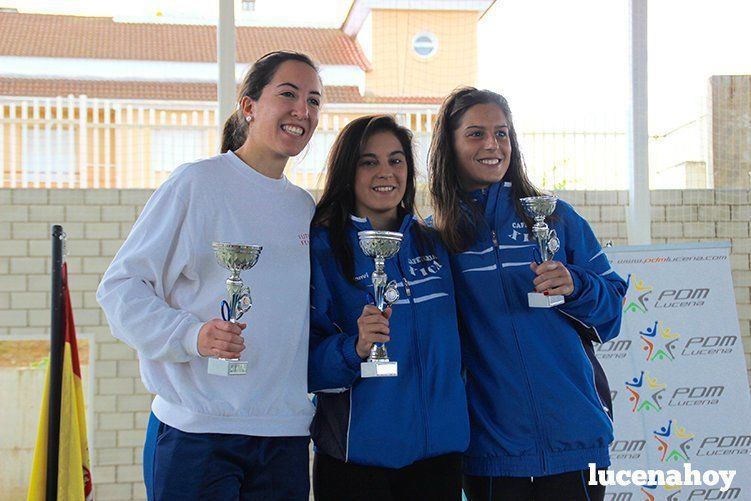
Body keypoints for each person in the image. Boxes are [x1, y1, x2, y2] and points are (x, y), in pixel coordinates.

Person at [96, 51, 323, 500]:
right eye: (288, 94)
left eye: (314, 100)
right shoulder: (196, 184)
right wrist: (191, 336)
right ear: (249, 106)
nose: (303, 110)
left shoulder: (304, 207)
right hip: (198, 434)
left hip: (285, 435)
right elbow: (121, 288)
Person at [427, 87, 628, 501]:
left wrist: (576, 285)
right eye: (476, 134)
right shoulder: (436, 236)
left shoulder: (557, 217)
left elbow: (611, 313)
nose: (492, 145)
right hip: (491, 449)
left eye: (502, 133)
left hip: (576, 441)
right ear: (449, 144)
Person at [308, 115, 470, 500]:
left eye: (396, 160)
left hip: (439, 460)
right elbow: (303, 365)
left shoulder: (436, 243)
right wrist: (355, 348)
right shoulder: (322, 250)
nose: (386, 172)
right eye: (369, 161)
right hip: (356, 465)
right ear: (348, 171)